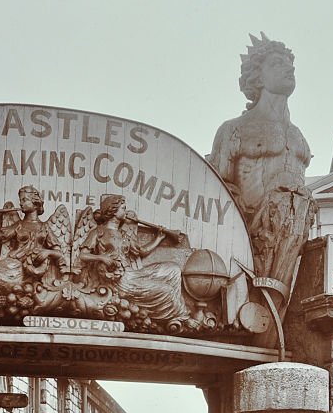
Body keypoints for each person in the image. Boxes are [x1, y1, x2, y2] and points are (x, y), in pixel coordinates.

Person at [208, 33, 317, 295]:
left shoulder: (298, 136)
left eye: (289, 64)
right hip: (250, 245)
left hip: (292, 244)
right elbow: (217, 189)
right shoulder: (234, 129)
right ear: (257, 77)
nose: (289, 68)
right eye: (277, 63)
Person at [76, 194, 188, 322]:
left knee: (173, 270)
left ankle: (178, 308)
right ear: (113, 211)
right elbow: (82, 255)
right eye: (123, 208)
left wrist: (158, 238)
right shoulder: (99, 232)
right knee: (166, 290)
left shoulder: (123, 234)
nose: (125, 212)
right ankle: (180, 315)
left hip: (133, 273)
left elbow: (142, 251)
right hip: (120, 280)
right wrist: (101, 258)